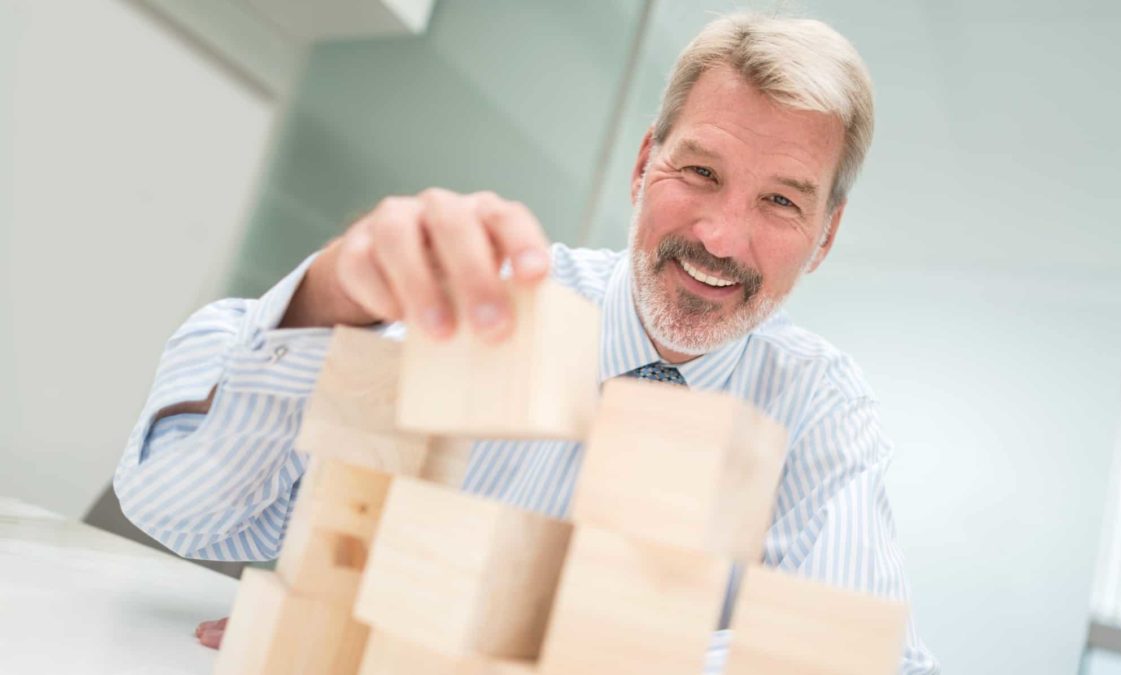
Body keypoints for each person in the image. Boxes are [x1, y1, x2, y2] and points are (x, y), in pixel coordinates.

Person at [115, 11, 940, 673]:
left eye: (782, 203)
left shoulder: (819, 406)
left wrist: (448, 634)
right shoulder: (492, 303)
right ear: (644, 163)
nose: (721, 237)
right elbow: (184, 512)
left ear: (825, 238)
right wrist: (328, 298)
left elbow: (865, 658)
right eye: (700, 173)